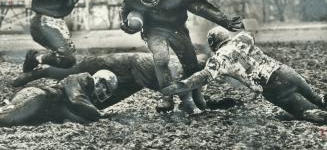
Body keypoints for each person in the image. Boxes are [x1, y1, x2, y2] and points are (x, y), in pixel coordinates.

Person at [120, 0, 243, 113]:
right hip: (153, 29)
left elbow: (201, 7)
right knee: (161, 58)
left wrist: (225, 21)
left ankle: (198, 97)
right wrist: (127, 25)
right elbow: (126, 11)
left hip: (176, 28)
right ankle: (167, 96)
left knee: (191, 63)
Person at [162, 26, 327, 123]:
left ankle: (313, 113)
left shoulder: (218, 59)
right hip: (285, 71)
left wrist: (181, 85)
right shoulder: (243, 38)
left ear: (213, 44)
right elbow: (249, 34)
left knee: (304, 112)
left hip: (272, 88)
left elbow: (202, 76)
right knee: (318, 98)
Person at [4, 53, 208, 126]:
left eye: (105, 89)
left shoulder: (86, 94)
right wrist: (99, 116)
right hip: (39, 95)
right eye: (102, 86)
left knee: (18, 119)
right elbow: (76, 100)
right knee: (10, 117)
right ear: (97, 80)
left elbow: (74, 112)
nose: (102, 91)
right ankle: (35, 70)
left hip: (46, 106)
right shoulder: (82, 80)